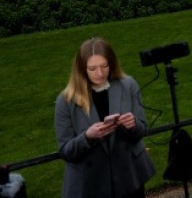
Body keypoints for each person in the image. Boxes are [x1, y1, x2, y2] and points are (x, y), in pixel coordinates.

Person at [55, 37, 155, 198]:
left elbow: (142, 129)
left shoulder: (128, 84)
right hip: (91, 184)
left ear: (112, 63)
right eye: (92, 69)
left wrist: (132, 124)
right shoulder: (66, 100)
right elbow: (65, 151)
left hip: (128, 178)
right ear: (81, 69)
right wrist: (87, 137)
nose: (100, 73)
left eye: (104, 66)